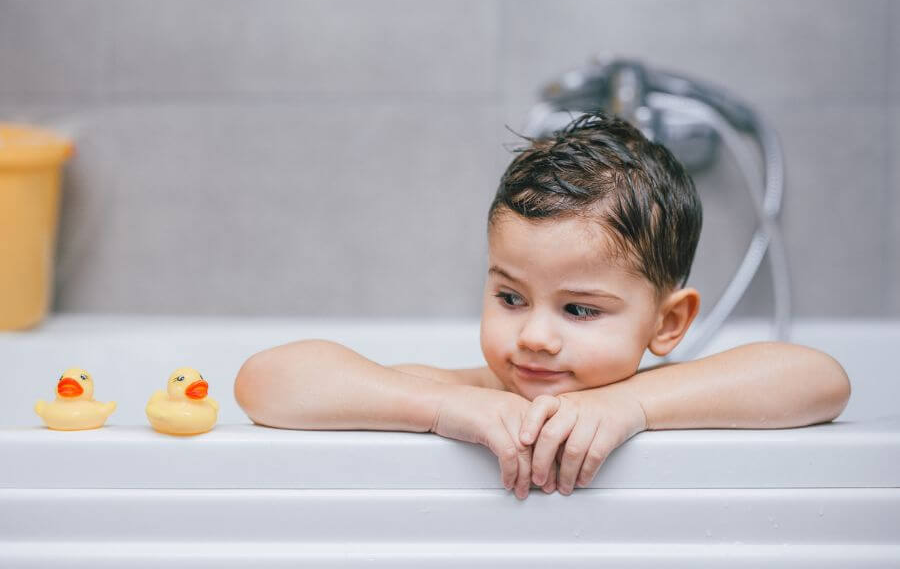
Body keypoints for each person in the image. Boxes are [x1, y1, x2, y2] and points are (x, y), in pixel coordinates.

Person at [233, 111, 851, 501]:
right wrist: (444, 407)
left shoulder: (664, 394)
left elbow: (822, 381)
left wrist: (630, 405)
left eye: (579, 310)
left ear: (667, 323)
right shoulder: (462, 393)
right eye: (510, 297)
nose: (533, 336)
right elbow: (266, 383)